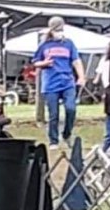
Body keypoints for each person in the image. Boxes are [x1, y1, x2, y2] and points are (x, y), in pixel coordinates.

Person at [32, 16, 86, 147]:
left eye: (61, 29)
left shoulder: (69, 44)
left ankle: (67, 134)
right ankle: (53, 140)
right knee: (53, 115)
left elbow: (76, 61)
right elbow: (35, 62)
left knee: (71, 109)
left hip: (67, 82)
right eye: (57, 30)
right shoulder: (44, 45)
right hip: (51, 84)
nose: (59, 32)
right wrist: (44, 63)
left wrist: (81, 77)